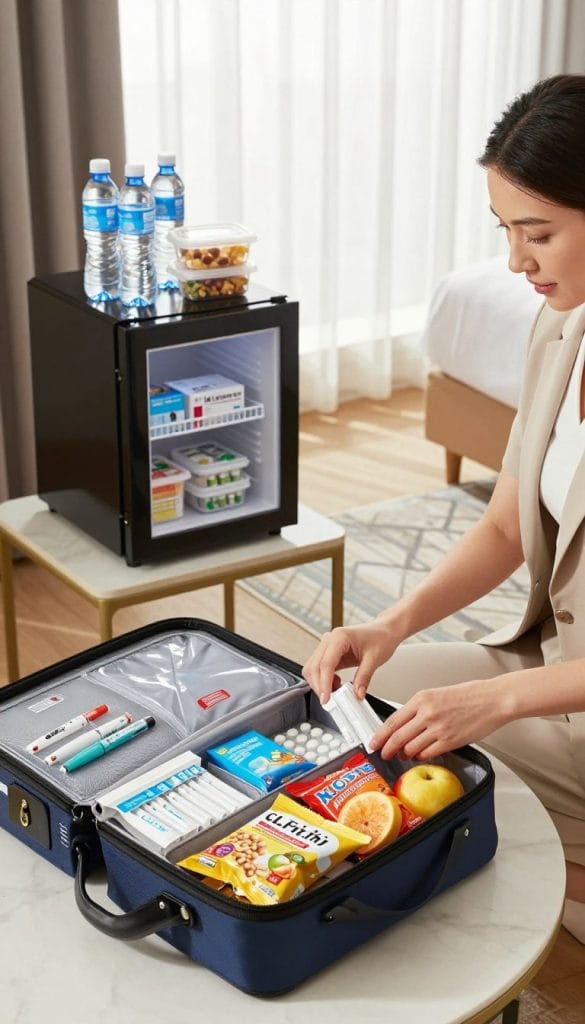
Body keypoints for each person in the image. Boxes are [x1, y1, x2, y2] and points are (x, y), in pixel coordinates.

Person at [302, 74, 585, 943]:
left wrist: (496, 703)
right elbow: (504, 525)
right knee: (356, 703)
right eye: (505, 231)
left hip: (564, 695)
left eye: (538, 233)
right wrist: (388, 625)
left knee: (428, 765)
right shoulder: (561, 327)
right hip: (552, 666)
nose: (516, 262)